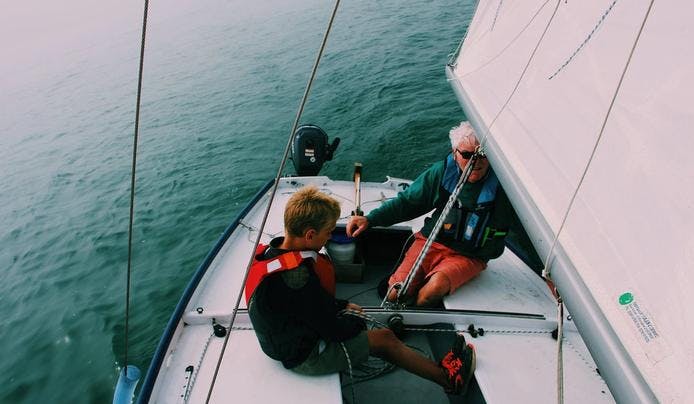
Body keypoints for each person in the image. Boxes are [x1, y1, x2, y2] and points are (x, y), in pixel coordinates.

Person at [245, 185, 476, 395]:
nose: (328, 238)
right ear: (310, 235)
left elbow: (305, 304)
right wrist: (357, 324)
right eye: (327, 232)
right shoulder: (297, 278)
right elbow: (335, 331)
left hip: (288, 339)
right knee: (385, 339)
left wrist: (342, 305)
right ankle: (448, 379)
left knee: (354, 316)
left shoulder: (274, 252)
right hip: (304, 357)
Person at [347, 121, 519, 307]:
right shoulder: (443, 172)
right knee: (394, 294)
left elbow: (527, 227)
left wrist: (548, 273)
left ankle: (413, 313)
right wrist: (371, 219)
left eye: (482, 155)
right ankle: (405, 286)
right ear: (455, 153)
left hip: (471, 255)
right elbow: (408, 203)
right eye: (467, 155)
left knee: (434, 288)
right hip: (433, 241)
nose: (475, 162)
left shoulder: (505, 185)